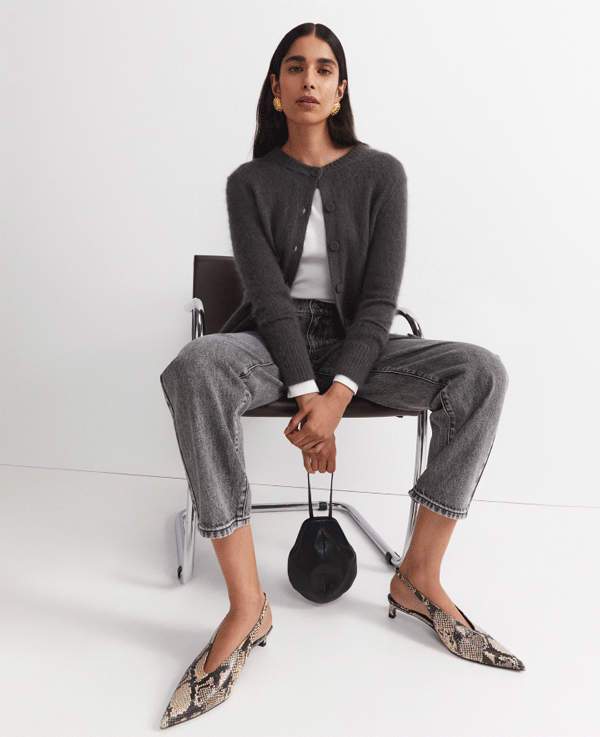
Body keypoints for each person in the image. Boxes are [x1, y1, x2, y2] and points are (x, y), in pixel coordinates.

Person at [159, 22, 524, 729]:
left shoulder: (382, 173)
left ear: (340, 88)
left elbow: (380, 301)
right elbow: (268, 299)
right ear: (276, 87)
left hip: (362, 345)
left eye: (324, 69)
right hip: (270, 343)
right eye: (295, 68)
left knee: (481, 372)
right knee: (193, 367)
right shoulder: (249, 183)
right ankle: (246, 607)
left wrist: (339, 394)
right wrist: (309, 396)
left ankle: (419, 578)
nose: (309, 79)